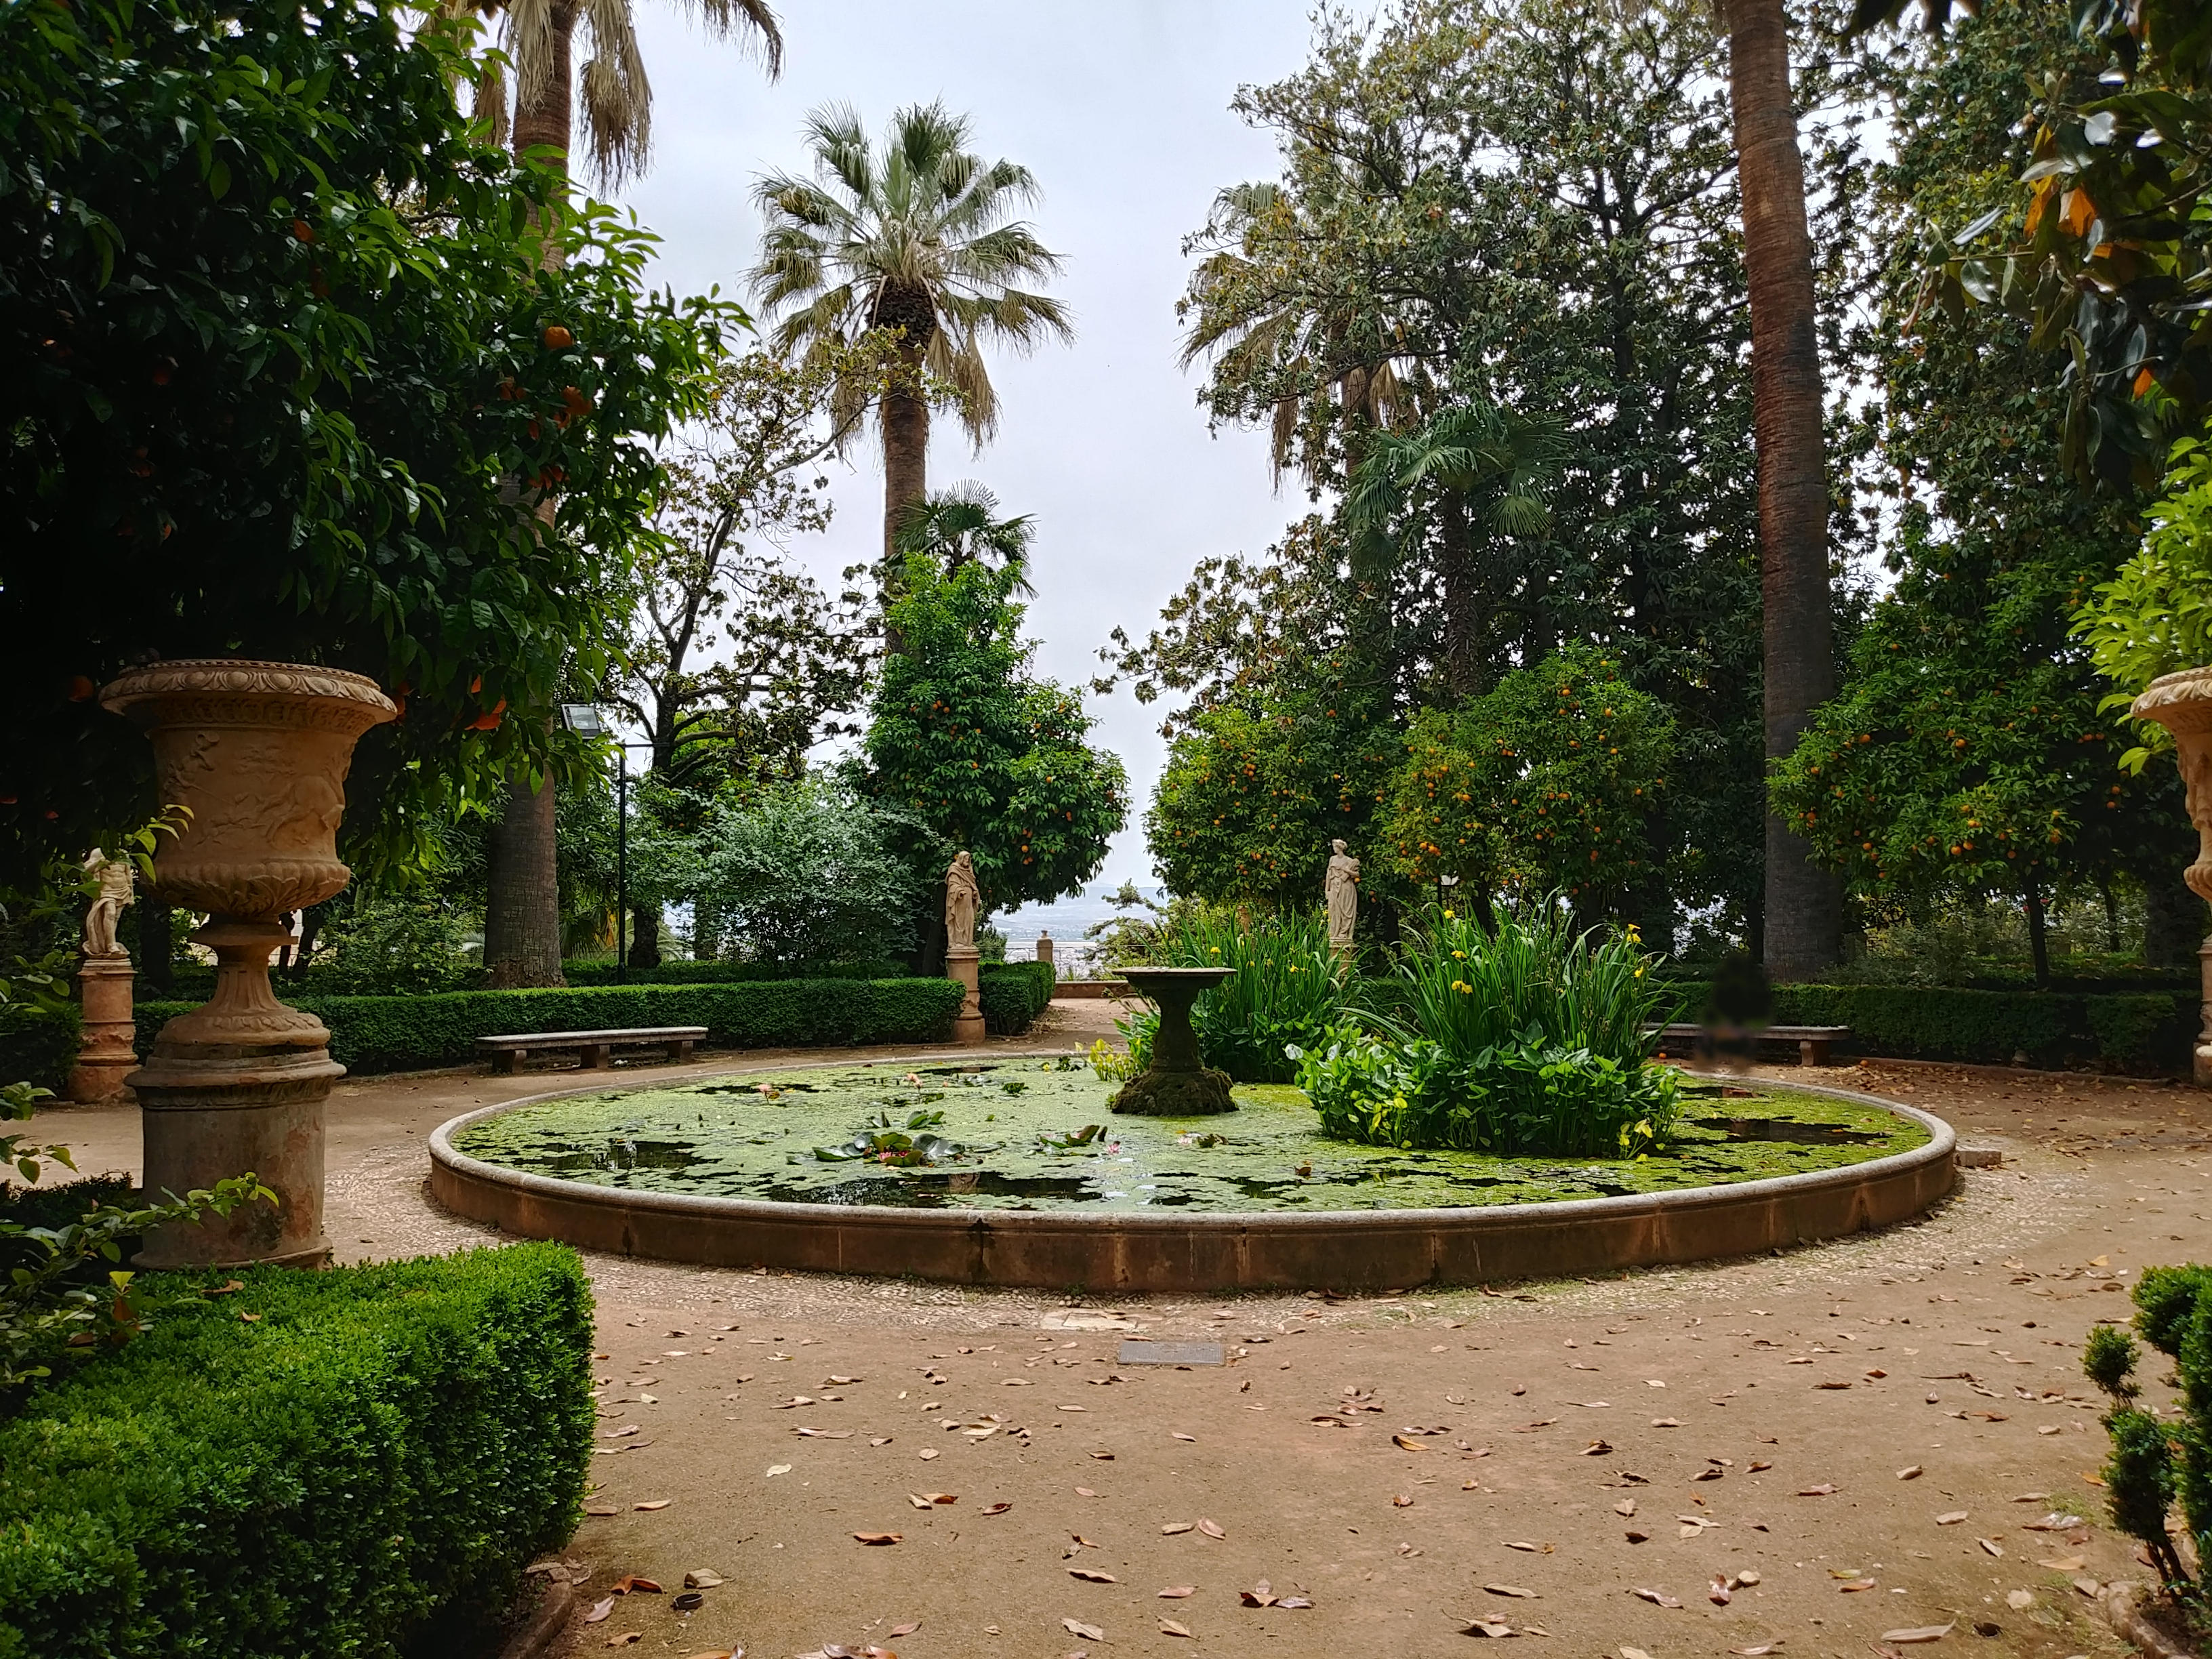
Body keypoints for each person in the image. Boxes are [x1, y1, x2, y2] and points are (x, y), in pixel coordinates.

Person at [1324, 838, 1360, 956]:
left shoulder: (1349, 861)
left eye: (1334, 846)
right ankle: (1334, 933)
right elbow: (1329, 875)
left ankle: (1343, 933)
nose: (1333, 849)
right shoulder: (1332, 859)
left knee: (1346, 910)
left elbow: (1357, 875)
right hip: (1334, 887)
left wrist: (1348, 871)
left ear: (1339, 848)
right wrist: (1327, 890)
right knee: (1333, 910)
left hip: (1346, 888)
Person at [944, 851, 981, 952]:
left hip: (969, 898)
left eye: (968, 860)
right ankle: (958, 942)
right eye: (965, 859)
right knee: (959, 919)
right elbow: (952, 884)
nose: (967, 861)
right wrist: (959, 890)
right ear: (960, 859)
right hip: (960, 898)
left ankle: (967, 942)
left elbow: (972, 884)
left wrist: (974, 892)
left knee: (969, 918)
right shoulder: (954, 869)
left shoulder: (969, 870)